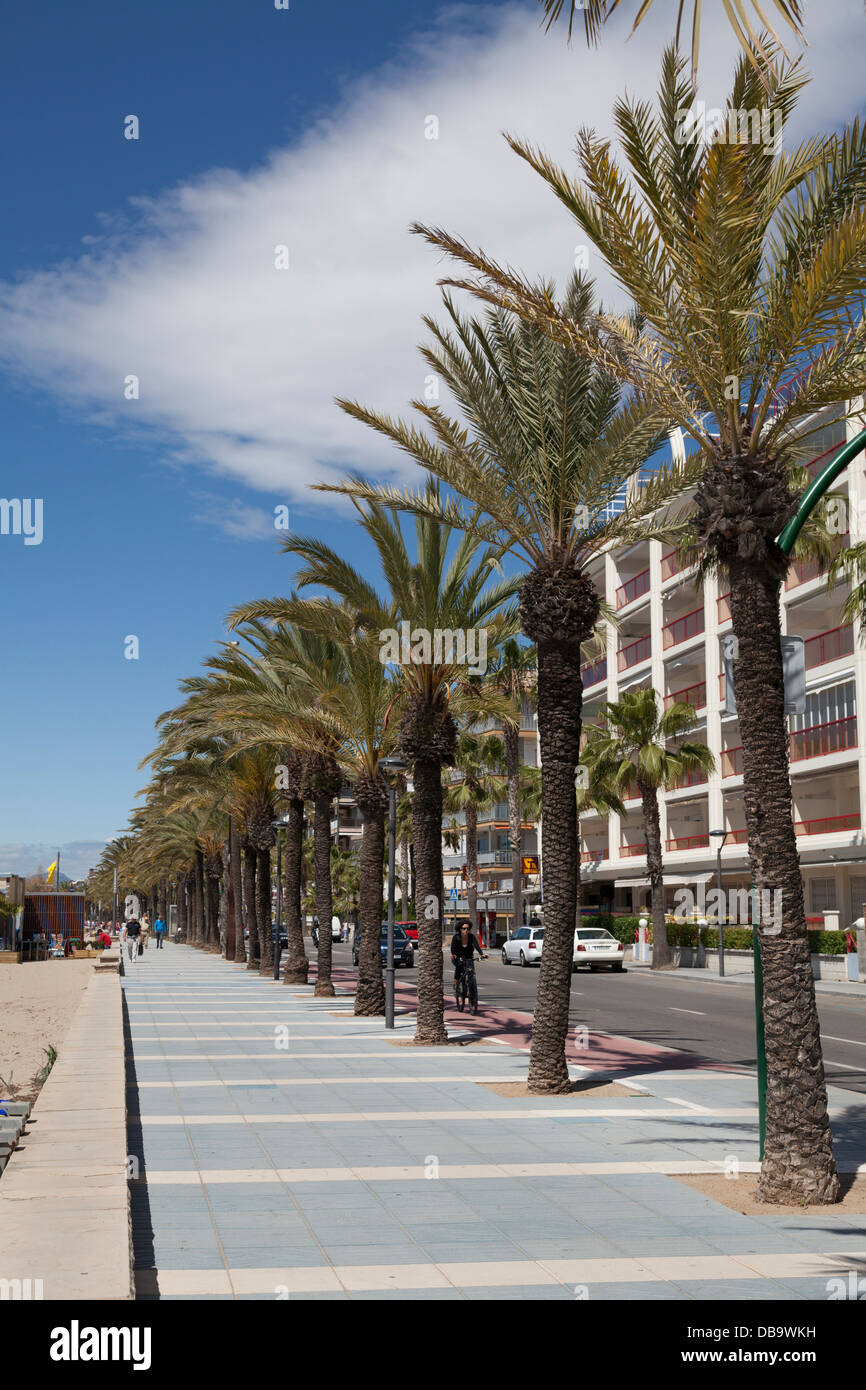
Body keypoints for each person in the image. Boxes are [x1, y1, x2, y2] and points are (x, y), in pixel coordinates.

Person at [450, 919, 486, 989]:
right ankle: (456, 982)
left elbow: (477, 946)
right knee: (459, 967)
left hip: (469, 957)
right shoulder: (456, 937)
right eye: (464, 928)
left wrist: (482, 954)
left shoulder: (471, 936)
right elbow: (453, 947)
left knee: (471, 971)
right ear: (460, 929)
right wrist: (454, 954)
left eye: (468, 928)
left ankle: (471, 989)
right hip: (458, 957)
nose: (466, 930)